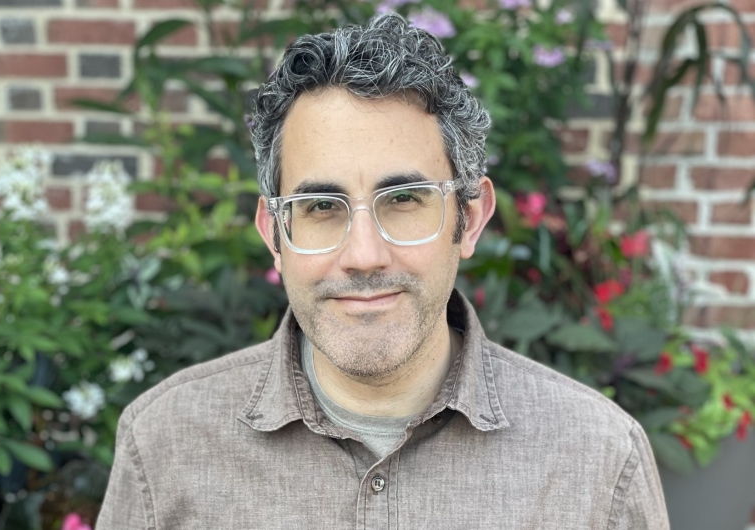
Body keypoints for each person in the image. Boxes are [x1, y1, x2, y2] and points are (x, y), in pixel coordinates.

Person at [97, 13, 670, 529]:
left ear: (469, 219)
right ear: (275, 233)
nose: (365, 255)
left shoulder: (599, 461)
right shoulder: (164, 445)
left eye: (405, 199)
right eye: (321, 207)